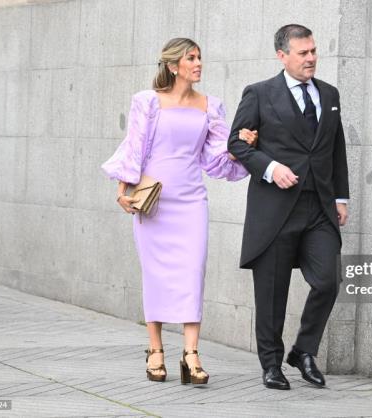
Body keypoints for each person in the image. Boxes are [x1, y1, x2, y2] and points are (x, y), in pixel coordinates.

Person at [101, 38, 256, 385]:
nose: (198, 63)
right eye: (191, 58)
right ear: (173, 66)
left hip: (191, 200)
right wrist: (122, 191)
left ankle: (191, 354)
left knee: (192, 272)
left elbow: (215, 157)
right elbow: (134, 148)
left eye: (200, 57)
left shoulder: (210, 106)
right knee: (154, 274)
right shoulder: (147, 102)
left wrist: (241, 145)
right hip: (154, 199)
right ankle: (155, 349)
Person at [227, 24, 350, 390]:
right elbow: (237, 143)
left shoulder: (329, 94)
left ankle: (304, 351)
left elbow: (336, 147)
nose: (311, 58)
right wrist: (270, 168)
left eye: (313, 51)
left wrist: (340, 197)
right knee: (272, 292)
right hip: (276, 209)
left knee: (328, 280)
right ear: (282, 56)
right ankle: (271, 364)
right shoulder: (259, 94)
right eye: (303, 53)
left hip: (319, 207)